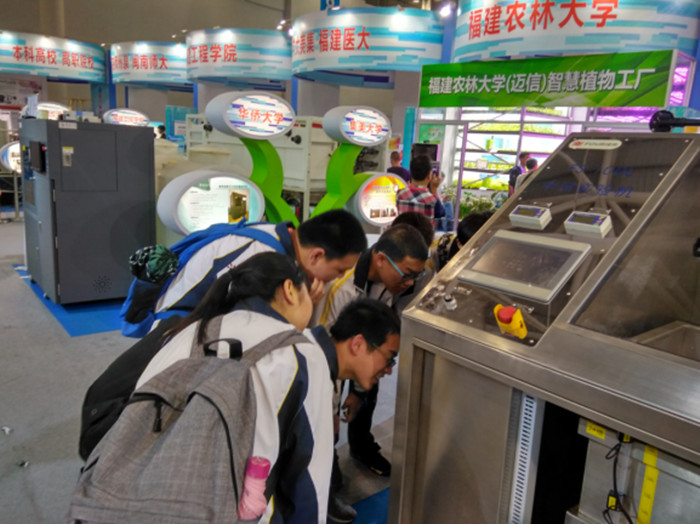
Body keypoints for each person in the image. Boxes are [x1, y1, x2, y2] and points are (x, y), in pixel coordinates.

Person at [134, 252, 401, 523]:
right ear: (289, 290)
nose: (390, 369)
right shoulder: (301, 356)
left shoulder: (191, 331)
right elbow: (309, 487)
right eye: (390, 358)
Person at [313, 223, 427, 520]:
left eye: (416, 276)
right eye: (407, 273)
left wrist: (357, 394)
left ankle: (353, 452)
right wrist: (330, 411)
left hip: (352, 360)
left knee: (370, 381)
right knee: (321, 432)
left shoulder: (389, 285)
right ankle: (321, 493)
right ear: (381, 259)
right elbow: (323, 353)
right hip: (323, 367)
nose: (410, 283)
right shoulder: (341, 287)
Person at [121, 209, 367, 337]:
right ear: (316, 255)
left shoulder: (277, 237)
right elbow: (243, 329)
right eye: (339, 270)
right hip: (171, 333)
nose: (338, 278)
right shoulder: (261, 256)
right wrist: (303, 306)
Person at [396, 155, 438, 225]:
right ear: (429, 175)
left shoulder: (400, 194)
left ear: (410, 172)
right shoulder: (433, 199)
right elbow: (440, 213)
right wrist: (434, 188)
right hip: (424, 232)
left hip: (403, 231)